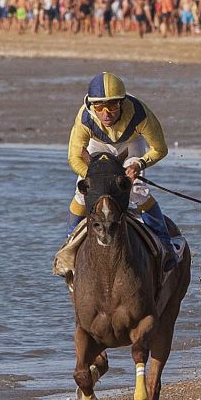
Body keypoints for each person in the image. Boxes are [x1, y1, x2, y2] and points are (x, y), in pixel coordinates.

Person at [66, 72, 177, 270]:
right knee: (82, 193)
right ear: (92, 106)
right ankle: (69, 246)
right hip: (97, 146)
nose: (106, 113)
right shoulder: (84, 118)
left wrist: (139, 165)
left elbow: (160, 149)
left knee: (138, 190)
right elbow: (74, 157)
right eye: (99, 108)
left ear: (122, 103)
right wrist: (94, 177)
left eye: (113, 106)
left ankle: (165, 244)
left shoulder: (140, 114)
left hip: (130, 144)